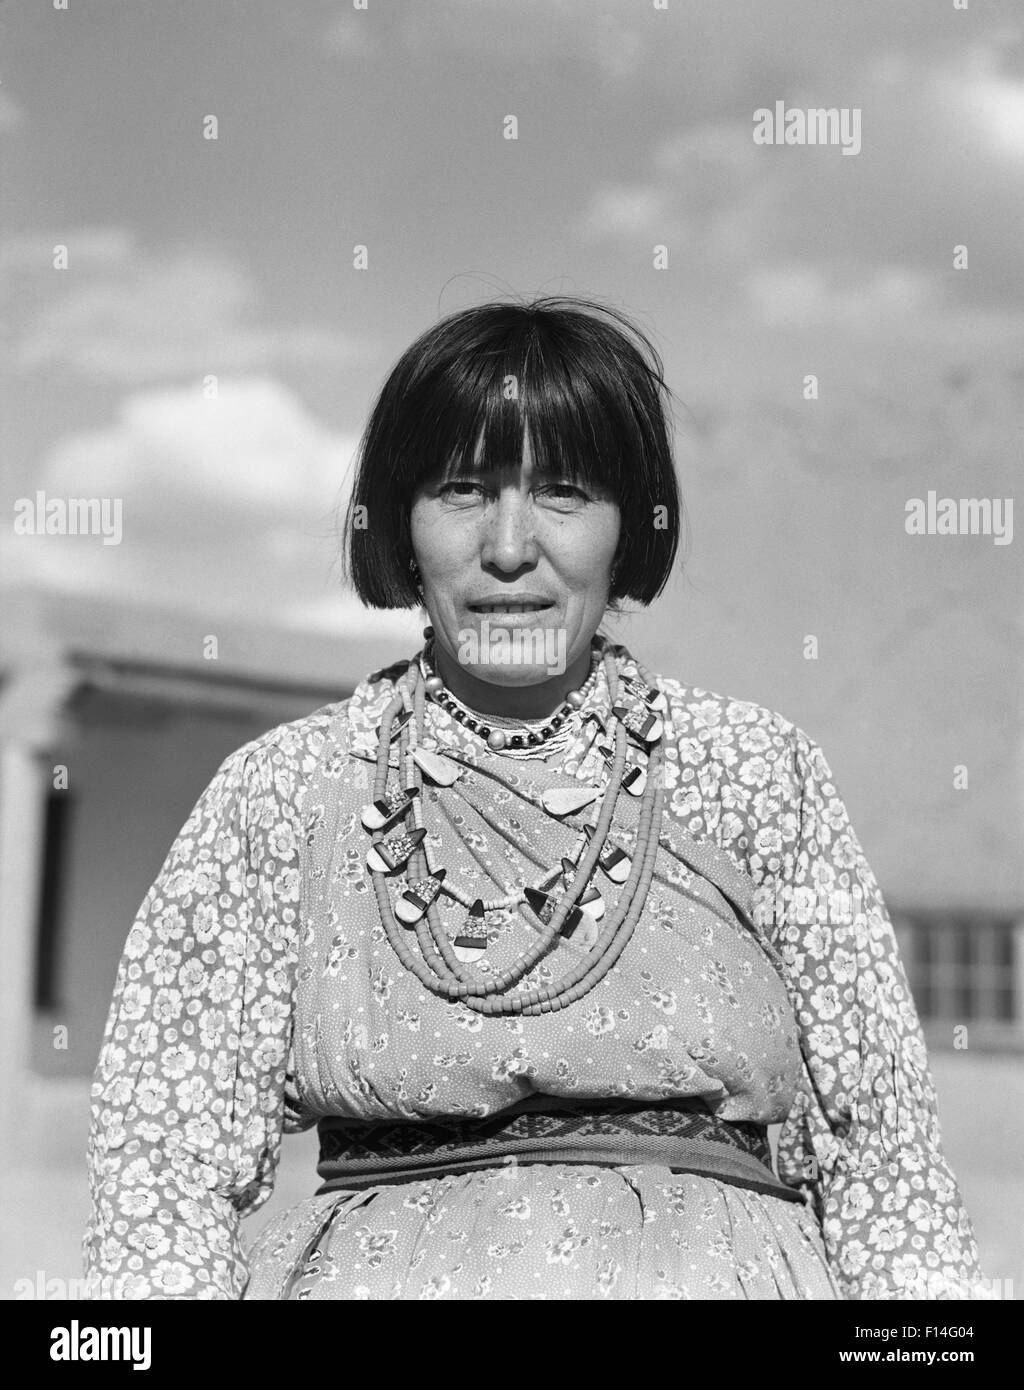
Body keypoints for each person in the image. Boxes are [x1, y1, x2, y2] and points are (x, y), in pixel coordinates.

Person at [84, 296, 983, 1300]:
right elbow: (159, 1167)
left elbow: (884, 1157)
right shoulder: (282, 793)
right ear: (397, 523)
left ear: (629, 525)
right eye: (461, 489)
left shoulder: (755, 771)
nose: (509, 547)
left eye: (562, 490)